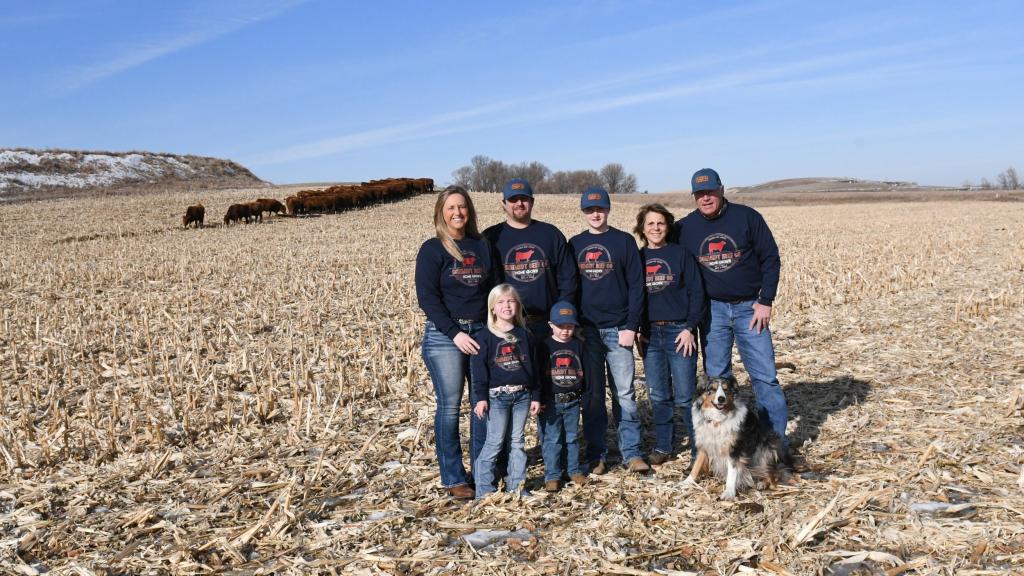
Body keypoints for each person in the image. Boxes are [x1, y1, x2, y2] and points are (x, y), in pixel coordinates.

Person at [676, 168, 789, 450]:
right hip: (712, 312)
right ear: (694, 197)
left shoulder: (747, 217)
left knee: (765, 377)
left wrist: (766, 301)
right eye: (699, 194)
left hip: (750, 308)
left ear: (722, 190)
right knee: (716, 379)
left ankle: (775, 446)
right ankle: (723, 447)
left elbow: (771, 259)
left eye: (710, 192)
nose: (705, 198)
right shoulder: (685, 228)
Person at [415, 186, 493, 500]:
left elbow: (494, 288)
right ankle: (454, 478)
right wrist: (455, 333)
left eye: (462, 207)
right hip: (445, 336)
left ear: (469, 211)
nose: (457, 213)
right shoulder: (433, 249)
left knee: (481, 405)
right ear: (441, 213)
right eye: (451, 208)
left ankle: (482, 471)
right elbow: (428, 299)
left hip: (481, 333)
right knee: (449, 407)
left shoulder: (482, 245)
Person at [569, 186, 648, 474]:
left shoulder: (624, 242)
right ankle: (597, 454)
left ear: (608, 209)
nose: (595, 214)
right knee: (592, 395)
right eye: (590, 209)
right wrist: (573, 325)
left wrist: (631, 326)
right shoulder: (574, 244)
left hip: (618, 330)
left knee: (624, 393)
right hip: (587, 332)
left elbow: (637, 286)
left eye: (600, 208)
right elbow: (569, 288)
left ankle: (632, 452)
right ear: (584, 212)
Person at [634, 203, 705, 465]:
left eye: (660, 223)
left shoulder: (681, 255)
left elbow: (697, 293)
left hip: (679, 333)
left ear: (668, 226)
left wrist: (689, 328)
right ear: (642, 228)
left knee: (686, 396)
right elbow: (635, 298)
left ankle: (700, 449)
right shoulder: (638, 258)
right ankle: (664, 446)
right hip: (651, 336)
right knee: (659, 395)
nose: (655, 228)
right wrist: (639, 330)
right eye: (650, 223)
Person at [483, 178, 577, 341]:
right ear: (503, 203)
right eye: (513, 199)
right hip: (508, 325)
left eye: (524, 199)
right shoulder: (491, 237)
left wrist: (561, 317)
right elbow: (485, 281)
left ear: (532, 202)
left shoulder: (551, 234)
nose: (519, 203)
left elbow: (568, 278)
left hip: (547, 324)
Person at [472, 284, 542, 497]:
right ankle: (483, 490)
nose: (506, 305)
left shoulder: (525, 335)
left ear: (518, 305)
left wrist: (536, 395)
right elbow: (479, 372)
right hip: (497, 397)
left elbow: (535, 368)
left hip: (522, 395)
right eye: (501, 302)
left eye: (511, 301)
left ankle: (517, 487)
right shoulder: (485, 336)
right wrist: (481, 398)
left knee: (518, 443)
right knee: (494, 443)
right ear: (492, 308)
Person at [537, 301, 588, 492]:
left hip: (573, 400)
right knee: (552, 439)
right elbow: (538, 375)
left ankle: (573, 470)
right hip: (550, 401)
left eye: (570, 326)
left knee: (572, 438)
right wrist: (539, 398)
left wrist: (585, 393)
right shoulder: (543, 346)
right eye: (561, 326)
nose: (565, 331)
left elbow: (585, 371)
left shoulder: (579, 345)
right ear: (550, 325)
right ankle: (553, 474)